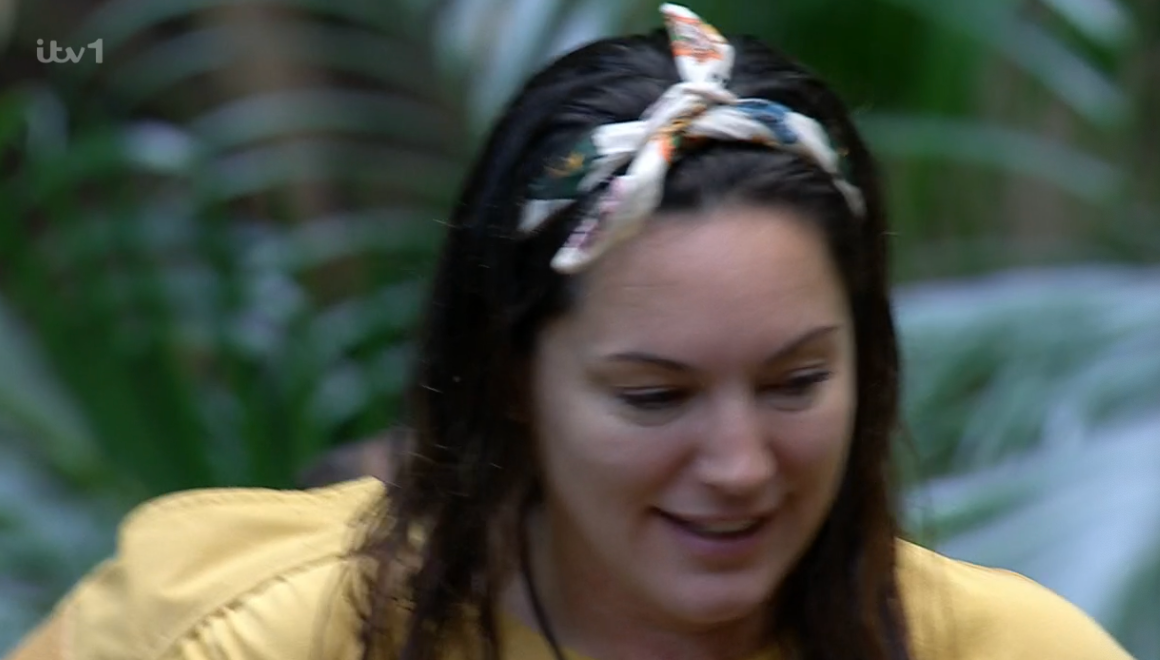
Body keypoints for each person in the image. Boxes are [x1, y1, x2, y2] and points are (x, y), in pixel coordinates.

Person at [5, 5, 1134, 660]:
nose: (740, 465)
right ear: (510, 378)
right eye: (654, 396)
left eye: (795, 382)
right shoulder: (259, 638)